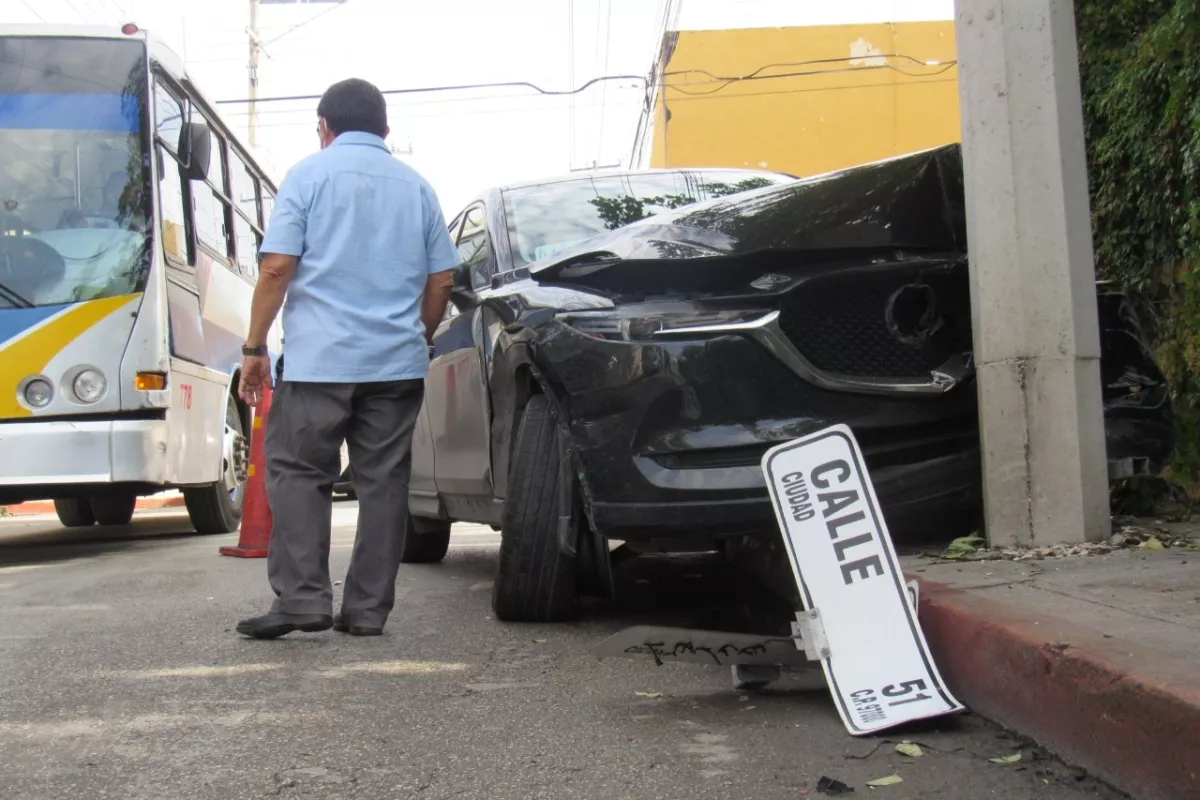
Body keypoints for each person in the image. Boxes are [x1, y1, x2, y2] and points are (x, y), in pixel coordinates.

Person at [235, 78, 459, 640]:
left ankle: (304, 599)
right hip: (395, 364)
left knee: (297, 473)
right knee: (383, 483)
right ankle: (365, 612)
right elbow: (442, 279)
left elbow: (276, 268)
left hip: (319, 364)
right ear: (385, 129)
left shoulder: (308, 176)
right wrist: (418, 337)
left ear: (323, 126)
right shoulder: (418, 188)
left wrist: (255, 347)